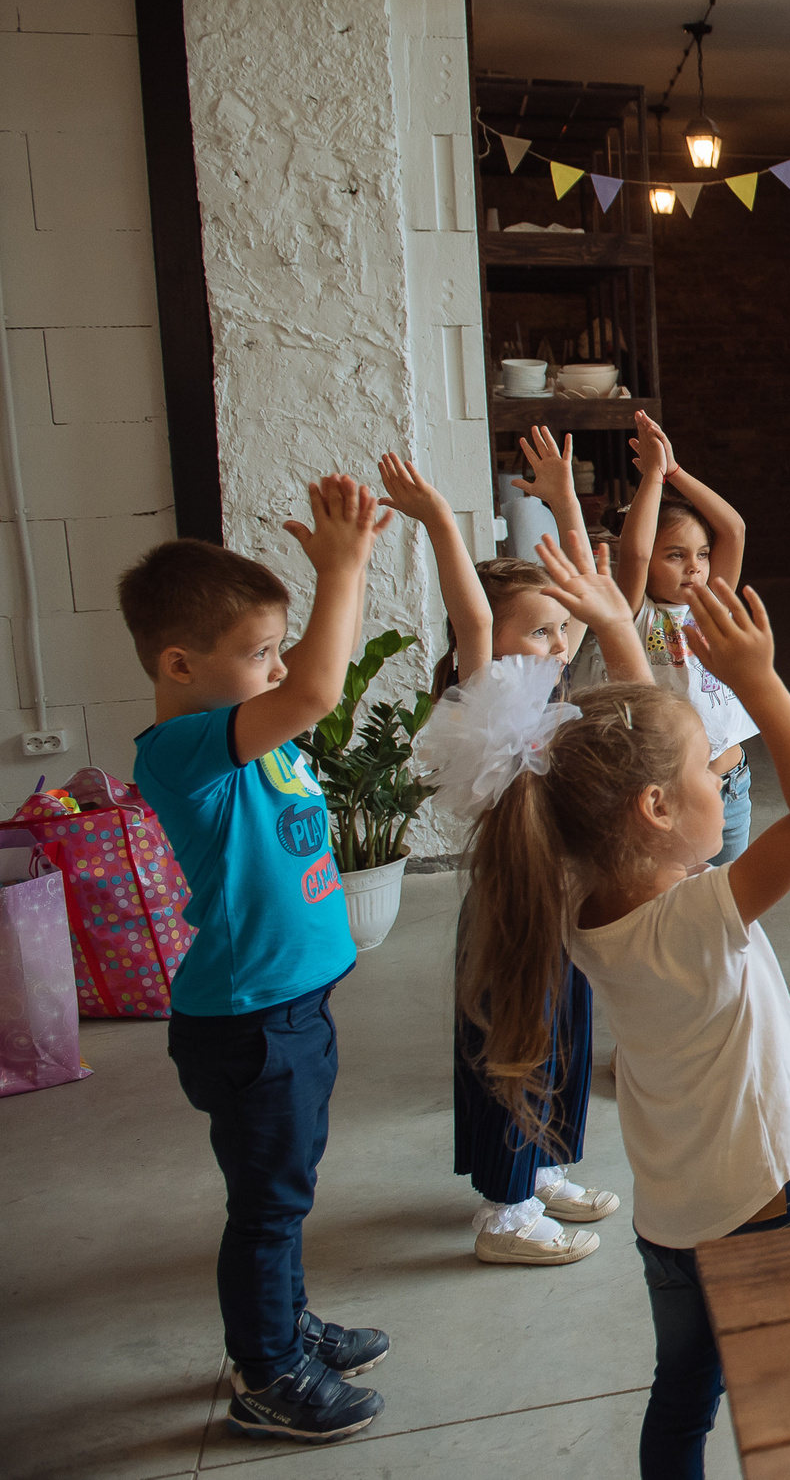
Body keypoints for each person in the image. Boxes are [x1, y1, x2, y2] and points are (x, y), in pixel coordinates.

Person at [423, 573, 790, 1480]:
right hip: (763, 1206)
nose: (722, 776)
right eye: (710, 769)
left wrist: (623, 631)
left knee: (682, 1395)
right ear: (656, 809)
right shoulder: (698, 920)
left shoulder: (584, 903)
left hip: (670, 1223)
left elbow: (640, 752)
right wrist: (761, 680)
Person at [120, 481, 395, 1445]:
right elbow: (317, 686)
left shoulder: (248, 733)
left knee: (289, 1187)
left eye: (278, 647)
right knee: (268, 1201)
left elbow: (314, 680)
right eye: (258, 652)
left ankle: (285, 1324)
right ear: (181, 663)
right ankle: (268, 1370)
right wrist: (341, 567)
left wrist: (328, 590)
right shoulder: (184, 750)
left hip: (292, 1008)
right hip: (248, 1020)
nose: (279, 669)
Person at [380, 453, 642, 1265]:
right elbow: (468, 608)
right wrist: (433, 520)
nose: (560, 641)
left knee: (563, 1037)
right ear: (487, 645)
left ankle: (543, 1163)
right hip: (514, 907)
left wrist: (567, 500)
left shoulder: (559, 699)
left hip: (561, 905)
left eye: (561, 628)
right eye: (539, 629)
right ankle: (505, 1207)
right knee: (514, 1045)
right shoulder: (489, 695)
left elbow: (600, 601)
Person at [596, 410, 759, 865]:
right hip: (671, 794)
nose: (694, 566)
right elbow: (635, 550)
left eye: (702, 555)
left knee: (729, 911)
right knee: (678, 912)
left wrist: (676, 473)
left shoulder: (713, 604)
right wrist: (651, 479)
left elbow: (734, 528)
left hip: (733, 784)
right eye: (675, 555)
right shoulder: (634, 613)